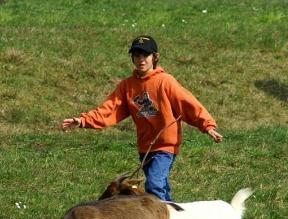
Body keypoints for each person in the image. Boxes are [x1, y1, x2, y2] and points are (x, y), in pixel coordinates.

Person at [62, 35, 223, 201]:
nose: (141, 60)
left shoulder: (165, 82)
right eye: (136, 55)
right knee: (161, 187)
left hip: (165, 146)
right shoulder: (127, 86)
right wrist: (83, 121)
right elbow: (109, 109)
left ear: (155, 57)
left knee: (154, 185)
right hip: (145, 147)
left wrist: (208, 126)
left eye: (145, 55)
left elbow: (188, 104)